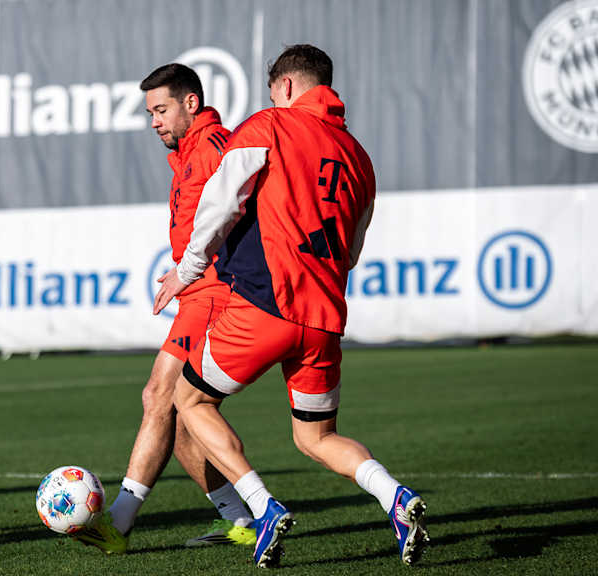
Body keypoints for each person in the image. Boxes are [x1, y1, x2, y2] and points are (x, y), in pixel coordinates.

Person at [154, 45, 429, 567]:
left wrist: (187, 271)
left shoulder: (270, 125)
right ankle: (395, 496)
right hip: (324, 317)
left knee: (189, 402)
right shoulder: (359, 157)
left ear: (283, 87)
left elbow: (221, 199)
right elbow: (351, 248)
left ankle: (261, 506)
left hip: (266, 304)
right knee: (317, 437)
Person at [75, 64, 256, 554]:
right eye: (150, 112)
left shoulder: (216, 146)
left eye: (161, 110)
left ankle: (116, 524)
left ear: (190, 104)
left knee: (159, 394)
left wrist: (195, 269)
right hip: (198, 292)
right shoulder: (186, 153)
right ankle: (243, 518)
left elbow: (241, 207)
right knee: (176, 414)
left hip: (219, 292)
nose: (153, 121)